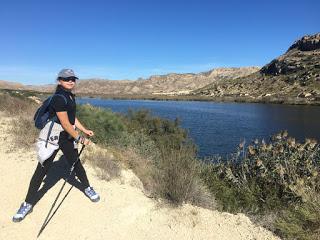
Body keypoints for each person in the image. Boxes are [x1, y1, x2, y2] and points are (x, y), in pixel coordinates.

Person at [13, 69, 100, 222]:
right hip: (53, 137)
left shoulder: (70, 96)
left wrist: (84, 129)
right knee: (42, 169)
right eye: (67, 79)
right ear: (59, 80)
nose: (71, 81)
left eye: (73, 78)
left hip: (66, 137)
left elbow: (71, 118)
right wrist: (80, 138)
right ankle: (27, 203)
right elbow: (65, 124)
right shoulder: (59, 98)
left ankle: (87, 187)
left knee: (75, 163)